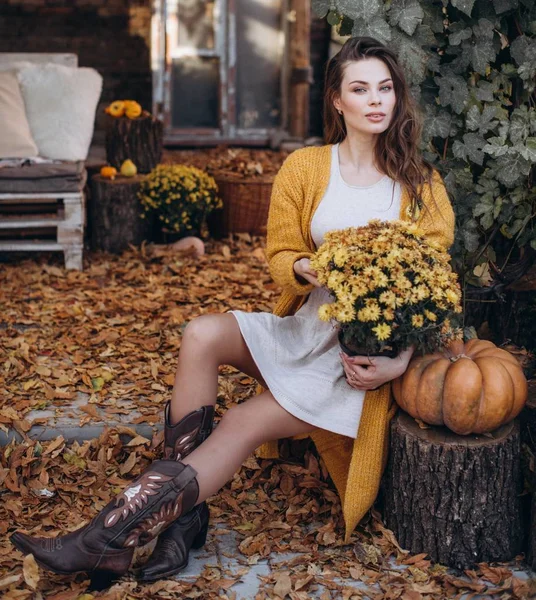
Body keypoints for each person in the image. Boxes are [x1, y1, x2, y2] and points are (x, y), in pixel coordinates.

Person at [11, 36, 455, 581]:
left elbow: (432, 292)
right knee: (202, 333)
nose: (376, 100)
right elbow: (281, 252)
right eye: (360, 89)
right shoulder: (308, 166)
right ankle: (181, 522)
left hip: (356, 360)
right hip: (307, 327)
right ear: (337, 101)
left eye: (385, 88)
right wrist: (303, 269)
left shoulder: (421, 185)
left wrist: (399, 361)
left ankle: (109, 537)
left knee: (244, 421)